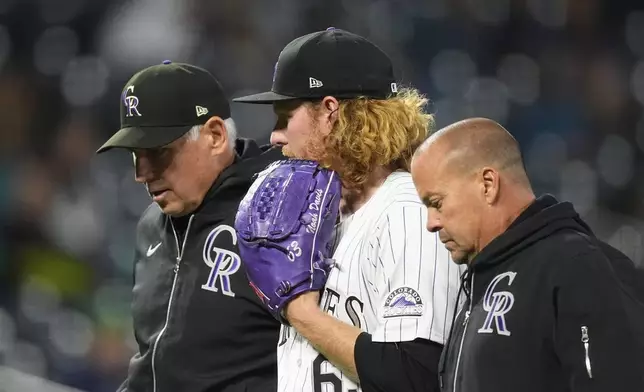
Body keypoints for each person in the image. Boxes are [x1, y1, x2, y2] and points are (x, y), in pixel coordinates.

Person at [233, 28, 464, 392]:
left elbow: (415, 374)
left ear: (329, 113)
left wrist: (299, 311)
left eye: (285, 116)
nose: (275, 136)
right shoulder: (321, 219)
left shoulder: (405, 212)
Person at [410, 117, 644, 392]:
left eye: (436, 203)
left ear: (487, 184)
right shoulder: (479, 280)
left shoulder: (576, 265)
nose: (431, 223)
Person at [96, 61, 284, 392]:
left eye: (157, 152)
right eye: (135, 154)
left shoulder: (278, 212)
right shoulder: (151, 226)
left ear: (214, 136)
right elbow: (155, 359)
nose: (141, 173)